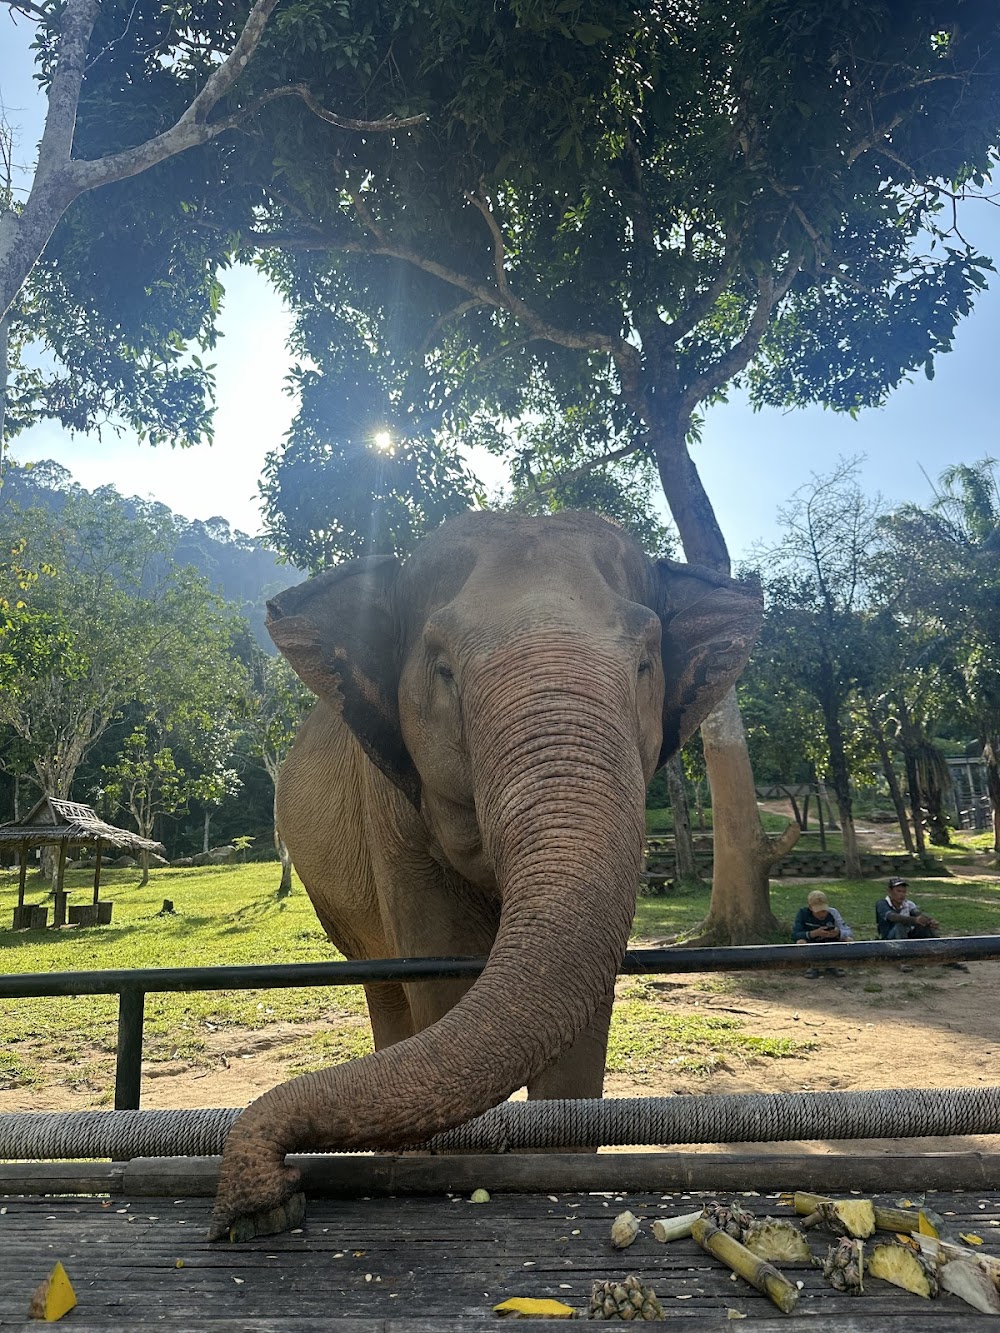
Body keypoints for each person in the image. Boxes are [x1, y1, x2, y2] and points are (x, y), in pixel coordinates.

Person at [875, 877, 969, 972]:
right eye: (898, 891)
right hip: (889, 939)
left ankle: (945, 957)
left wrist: (930, 921)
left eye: (904, 892)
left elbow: (918, 914)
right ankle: (902, 960)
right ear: (890, 891)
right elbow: (892, 917)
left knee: (924, 926)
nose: (901, 895)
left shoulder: (908, 904)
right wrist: (914, 920)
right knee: (901, 925)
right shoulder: (882, 904)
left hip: (907, 936)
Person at [792, 889, 853, 978]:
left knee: (848, 939)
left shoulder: (833, 913)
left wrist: (838, 933)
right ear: (810, 907)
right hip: (812, 944)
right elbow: (795, 935)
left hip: (831, 943)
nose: (822, 914)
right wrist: (814, 933)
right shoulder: (803, 914)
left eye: (824, 910)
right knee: (800, 941)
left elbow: (848, 932)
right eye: (818, 911)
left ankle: (834, 964)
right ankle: (812, 965)